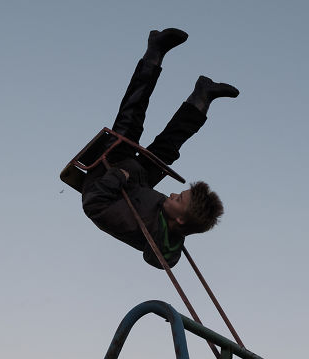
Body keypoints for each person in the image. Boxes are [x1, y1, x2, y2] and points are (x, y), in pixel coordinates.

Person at [81, 28, 238, 269]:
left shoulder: (138, 225)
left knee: (131, 119)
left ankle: (155, 50)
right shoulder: (173, 226)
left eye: (179, 199)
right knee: (168, 149)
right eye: (180, 193)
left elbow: (94, 206)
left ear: (179, 219)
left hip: (107, 175)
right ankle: (202, 96)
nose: (173, 194)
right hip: (137, 180)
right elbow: (171, 250)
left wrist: (117, 177)